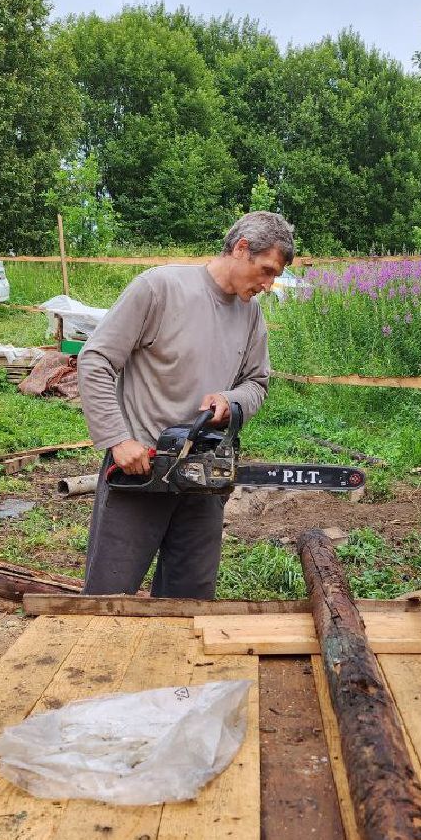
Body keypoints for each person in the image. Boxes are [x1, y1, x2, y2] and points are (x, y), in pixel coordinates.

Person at [77, 211, 291, 598]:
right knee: (107, 597)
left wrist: (231, 399)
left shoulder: (250, 313)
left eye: (274, 275)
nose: (269, 283)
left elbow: (257, 383)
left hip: (203, 475)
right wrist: (118, 439)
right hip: (139, 466)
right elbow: (97, 359)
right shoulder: (160, 288)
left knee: (189, 601)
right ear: (241, 249)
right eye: (266, 270)